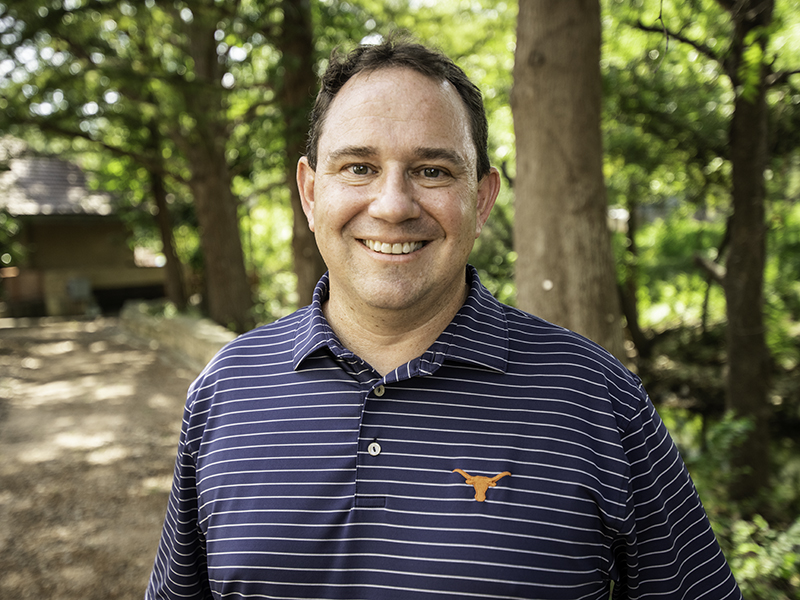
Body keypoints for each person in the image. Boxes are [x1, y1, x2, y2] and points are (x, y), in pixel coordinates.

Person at [146, 38, 742, 600]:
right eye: (358, 167)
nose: (393, 205)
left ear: (481, 198)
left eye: (433, 170)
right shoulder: (228, 388)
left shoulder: (592, 397)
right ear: (309, 192)